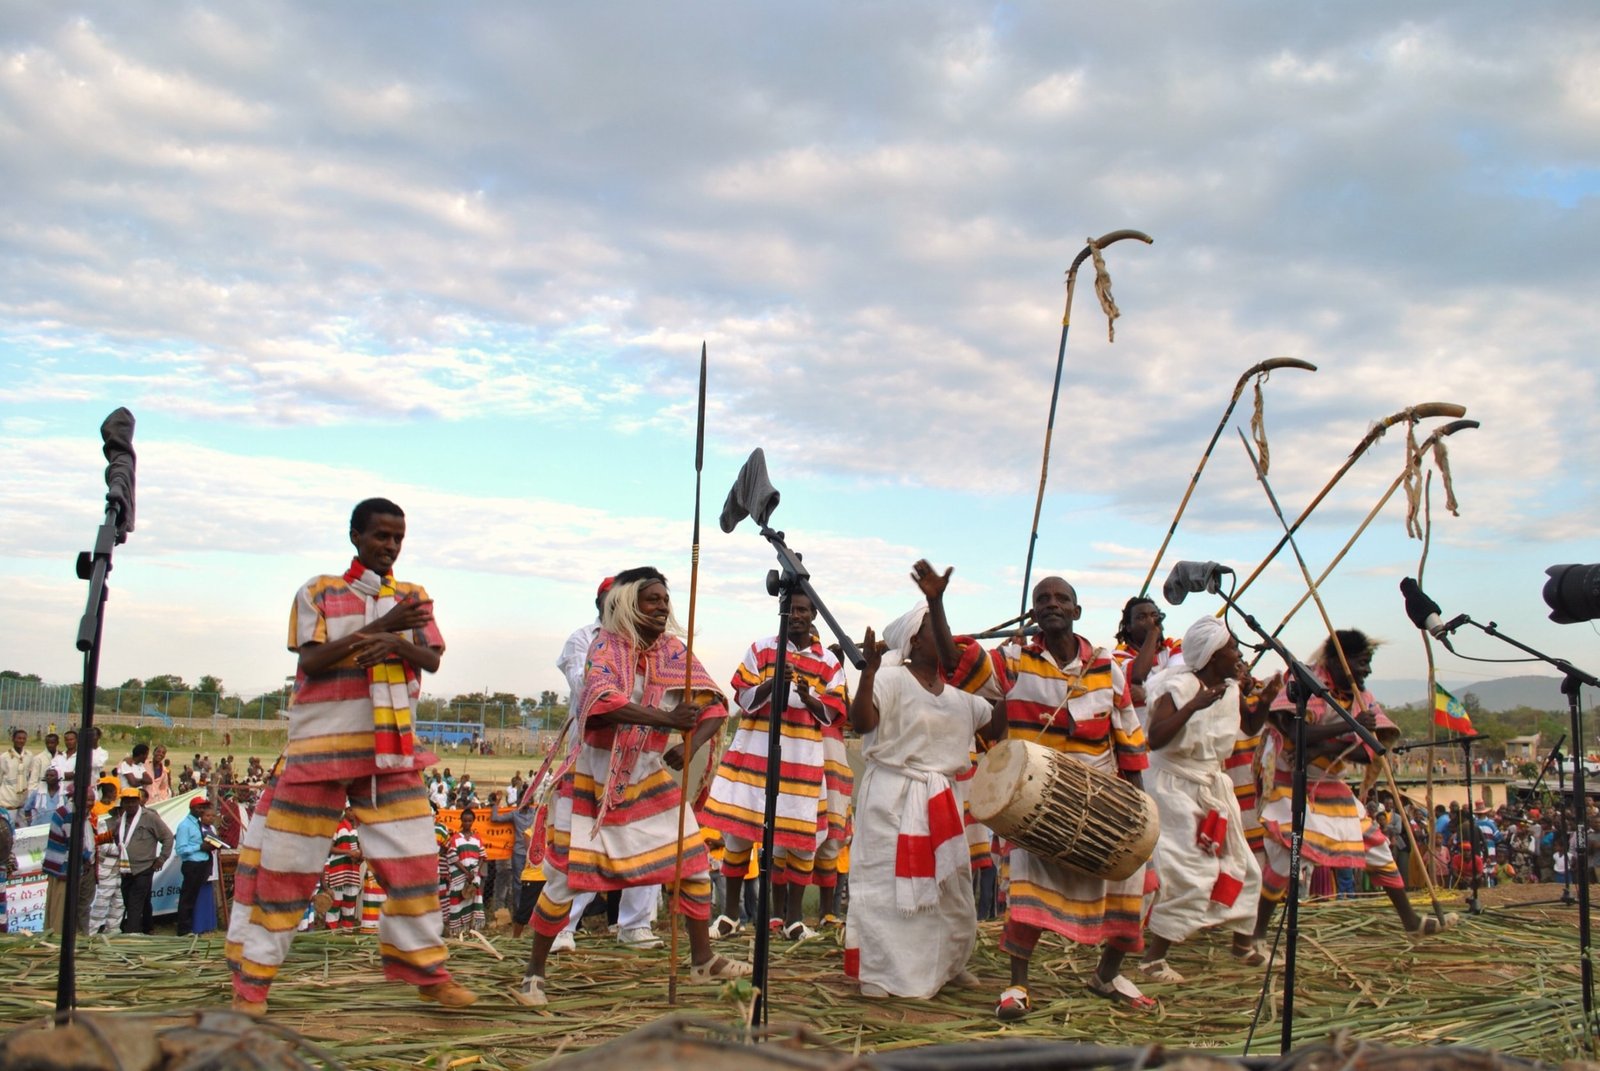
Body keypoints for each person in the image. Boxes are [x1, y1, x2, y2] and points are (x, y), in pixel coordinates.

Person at [225, 497, 476, 1015]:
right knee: (286, 872)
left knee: (416, 868)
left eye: (398, 538)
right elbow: (313, 660)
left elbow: (429, 657)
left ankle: (428, 974)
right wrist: (384, 630)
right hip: (320, 751)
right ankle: (251, 986)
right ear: (356, 536)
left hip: (392, 754)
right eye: (381, 536)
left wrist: (397, 638)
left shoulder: (413, 596)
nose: (390, 546)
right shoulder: (319, 591)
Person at [514, 566, 751, 1007]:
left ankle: (702, 960)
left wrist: (691, 743)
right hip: (596, 776)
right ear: (628, 604)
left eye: (665, 599)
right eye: (652, 600)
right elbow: (599, 706)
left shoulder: (673, 652)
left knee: (695, 861)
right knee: (568, 880)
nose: (662, 607)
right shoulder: (605, 645)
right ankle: (533, 973)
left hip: (646, 773)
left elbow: (714, 705)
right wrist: (666, 720)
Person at [928, 564, 1156, 1018]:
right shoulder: (1013, 662)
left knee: (1137, 885)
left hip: (1102, 802)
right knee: (1027, 895)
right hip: (1034, 801)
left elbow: (1128, 739)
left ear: (1077, 610)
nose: (1052, 604)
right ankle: (1017, 988)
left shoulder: (1107, 667)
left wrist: (1140, 810)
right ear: (1032, 612)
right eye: (1043, 599)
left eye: (1061, 599)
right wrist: (936, 601)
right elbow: (955, 663)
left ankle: (1106, 976)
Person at [845, 578, 1005, 998]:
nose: (951, 637)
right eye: (939, 629)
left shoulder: (961, 697)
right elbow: (861, 723)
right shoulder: (890, 680)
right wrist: (868, 674)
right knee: (887, 891)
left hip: (944, 804)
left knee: (950, 891)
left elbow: (998, 731)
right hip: (892, 799)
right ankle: (884, 975)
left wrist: (999, 683)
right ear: (915, 641)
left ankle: (947, 966)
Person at [1253, 630, 1454, 946]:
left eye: (1368, 663)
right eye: (1361, 663)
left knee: (1377, 847)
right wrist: (1349, 726)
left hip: (1330, 783)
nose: (1367, 671)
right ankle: (1257, 936)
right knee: (1284, 857)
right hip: (1290, 782)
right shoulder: (1306, 681)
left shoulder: (1363, 698)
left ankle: (1411, 922)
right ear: (1337, 661)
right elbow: (1294, 733)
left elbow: (1369, 750)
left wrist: (1326, 745)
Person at [1138, 617, 1279, 982]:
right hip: (1174, 787)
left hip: (1211, 785)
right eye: (1232, 646)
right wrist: (1194, 706)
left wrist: (1264, 700)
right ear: (1212, 654)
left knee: (1244, 865)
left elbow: (1248, 726)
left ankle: (1242, 944)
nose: (1239, 652)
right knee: (1189, 873)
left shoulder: (1230, 687)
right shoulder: (1179, 686)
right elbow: (1156, 738)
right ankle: (1153, 959)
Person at [704, 591, 847, 942]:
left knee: (802, 839)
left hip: (803, 759)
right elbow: (743, 695)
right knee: (739, 832)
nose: (795, 615)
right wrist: (774, 681)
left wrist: (807, 694)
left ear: (814, 614)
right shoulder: (761, 649)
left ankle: (793, 920)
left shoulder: (828, 661)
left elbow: (833, 711)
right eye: (790, 609)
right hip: (756, 751)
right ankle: (730, 915)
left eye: (802, 610)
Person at [548, 576, 662, 952]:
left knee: (648, 837)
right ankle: (564, 926)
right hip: (594, 755)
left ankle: (635, 925)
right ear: (601, 602)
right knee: (585, 838)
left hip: (640, 754)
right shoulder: (584, 638)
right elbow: (589, 689)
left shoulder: (654, 645)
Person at [1111, 597, 1183, 727]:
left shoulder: (1175, 647)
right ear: (1128, 627)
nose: (1151, 621)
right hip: (1137, 740)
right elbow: (1138, 675)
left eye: (1154, 615)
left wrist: (1148, 693)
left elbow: (1181, 687)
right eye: (1142, 617)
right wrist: (1152, 633)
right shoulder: (1117, 657)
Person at [115, 786, 173, 934]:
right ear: (122, 803)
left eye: (133, 801)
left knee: (135, 902)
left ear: (139, 801)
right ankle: (148, 927)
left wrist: (162, 858)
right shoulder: (121, 820)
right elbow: (118, 840)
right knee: (134, 900)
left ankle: (131, 934)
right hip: (125, 868)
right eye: (126, 801)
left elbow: (167, 837)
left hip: (145, 867)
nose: (130, 805)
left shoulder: (150, 817)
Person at [174, 797, 220, 935]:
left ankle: (193, 926)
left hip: (203, 863)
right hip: (192, 864)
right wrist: (199, 847)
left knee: (194, 897)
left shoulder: (199, 824)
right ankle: (183, 930)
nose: (201, 810)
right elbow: (180, 849)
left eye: (203, 808)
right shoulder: (185, 825)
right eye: (199, 808)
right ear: (192, 808)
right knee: (187, 898)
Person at [87, 778, 125, 935]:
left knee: (119, 904)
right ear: (117, 811)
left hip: (122, 872)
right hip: (106, 871)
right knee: (100, 904)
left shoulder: (131, 827)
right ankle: (91, 932)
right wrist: (124, 850)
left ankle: (113, 931)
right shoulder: (105, 824)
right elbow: (103, 847)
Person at [445, 807, 486, 937]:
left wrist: (475, 872)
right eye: (465, 821)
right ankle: (458, 932)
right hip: (459, 877)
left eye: (470, 821)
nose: (467, 823)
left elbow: (482, 856)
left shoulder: (477, 838)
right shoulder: (455, 838)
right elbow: (452, 857)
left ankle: (471, 932)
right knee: (458, 902)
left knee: (473, 901)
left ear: (473, 821)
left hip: (473, 878)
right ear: (461, 821)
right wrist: (465, 873)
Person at [323, 806, 364, 931]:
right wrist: (348, 852)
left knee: (350, 904)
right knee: (335, 904)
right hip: (338, 870)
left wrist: (359, 856)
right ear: (345, 811)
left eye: (354, 809)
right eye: (350, 809)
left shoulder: (357, 828)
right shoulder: (338, 826)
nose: (353, 812)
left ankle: (347, 933)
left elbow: (360, 849)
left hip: (352, 871)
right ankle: (331, 935)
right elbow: (329, 848)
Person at [0, 729, 36, 829]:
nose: (21, 741)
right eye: (18, 738)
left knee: (24, 828)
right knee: (8, 828)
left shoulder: (29, 755)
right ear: (13, 739)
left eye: (24, 738)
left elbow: (30, 774)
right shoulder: (5, 757)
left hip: (23, 800)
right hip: (7, 799)